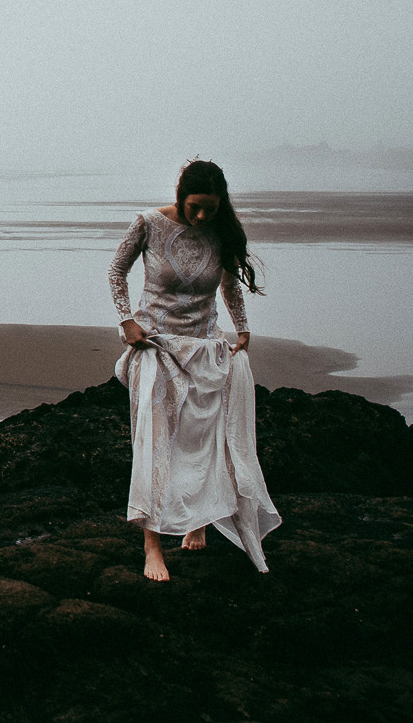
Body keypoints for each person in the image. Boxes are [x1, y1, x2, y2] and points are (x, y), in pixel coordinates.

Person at [109, 158, 280, 581]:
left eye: (210, 208)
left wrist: (242, 329)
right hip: (155, 345)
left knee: (201, 439)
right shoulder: (148, 223)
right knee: (154, 441)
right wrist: (126, 320)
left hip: (205, 347)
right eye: (195, 207)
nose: (202, 216)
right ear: (180, 195)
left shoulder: (220, 232)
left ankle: (197, 523)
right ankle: (152, 546)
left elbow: (228, 286)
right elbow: (117, 270)